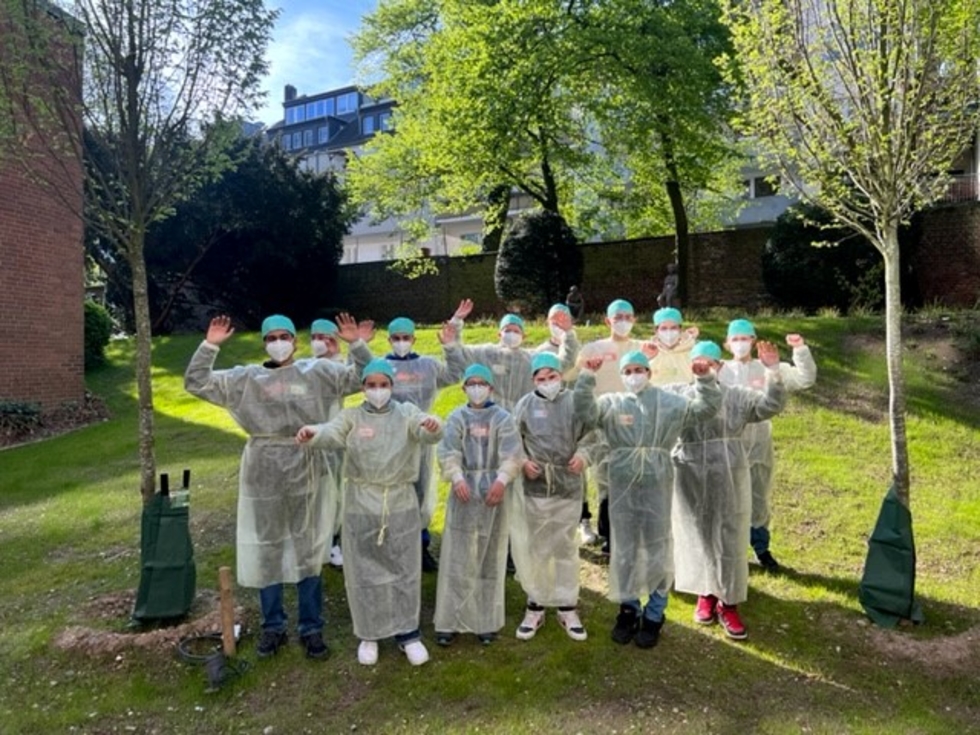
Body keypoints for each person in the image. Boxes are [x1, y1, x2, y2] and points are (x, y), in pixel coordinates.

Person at [184, 313, 371, 661]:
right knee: (268, 545)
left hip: (306, 463)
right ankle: (274, 626)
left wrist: (356, 344)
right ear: (264, 344)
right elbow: (195, 382)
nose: (279, 342)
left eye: (285, 335)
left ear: (295, 342)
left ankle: (311, 627)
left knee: (309, 543)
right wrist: (210, 345)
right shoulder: (245, 379)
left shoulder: (319, 373)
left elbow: (366, 378)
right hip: (263, 468)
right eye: (271, 337)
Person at [295, 358, 443, 667]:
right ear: (363, 387)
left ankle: (408, 633)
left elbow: (426, 431)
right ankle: (369, 633)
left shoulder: (406, 413)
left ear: (392, 386)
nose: (378, 391)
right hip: (362, 502)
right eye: (371, 385)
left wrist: (432, 426)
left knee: (404, 567)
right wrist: (313, 433)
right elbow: (331, 433)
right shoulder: (351, 417)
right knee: (364, 570)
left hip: (399, 500)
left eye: (384, 385)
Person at [574, 349, 721, 649]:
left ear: (649, 372)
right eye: (627, 371)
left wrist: (704, 379)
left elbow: (703, 411)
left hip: (658, 483)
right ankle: (628, 608)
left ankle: (655, 614)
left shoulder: (669, 402)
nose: (633, 376)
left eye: (638, 369)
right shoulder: (612, 403)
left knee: (657, 546)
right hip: (622, 484)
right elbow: (585, 414)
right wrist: (587, 377)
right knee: (625, 547)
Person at [669, 340, 786, 641]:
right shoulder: (679, 395)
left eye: (710, 363)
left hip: (729, 473)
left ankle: (729, 602)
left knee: (729, 535)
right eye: (698, 362)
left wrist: (773, 371)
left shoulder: (737, 397)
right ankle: (705, 592)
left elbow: (771, 406)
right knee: (696, 532)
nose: (704, 368)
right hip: (689, 473)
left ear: (720, 367)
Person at [433, 364, 523, 646]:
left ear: (491, 388)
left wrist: (502, 480)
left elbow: (512, 453)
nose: (476, 388)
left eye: (482, 383)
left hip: (493, 493)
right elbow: (449, 450)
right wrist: (457, 477)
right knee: (457, 554)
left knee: (490, 554)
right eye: (471, 383)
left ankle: (485, 619)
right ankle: (450, 619)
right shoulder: (457, 417)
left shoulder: (503, 418)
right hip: (463, 493)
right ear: (463, 389)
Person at [510, 352, 596, 642]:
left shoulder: (575, 402)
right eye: (541, 378)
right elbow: (512, 440)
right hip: (536, 485)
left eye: (552, 376)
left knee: (565, 546)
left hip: (568, 484)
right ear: (533, 379)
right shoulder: (524, 405)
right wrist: (523, 462)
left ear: (561, 376)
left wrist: (584, 455)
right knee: (539, 545)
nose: (547, 382)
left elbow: (593, 434)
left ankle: (566, 605)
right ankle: (535, 604)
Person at [720, 319, 817, 572]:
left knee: (758, 497)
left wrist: (800, 350)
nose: (741, 344)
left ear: (753, 341)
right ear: (727, 344)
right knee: (727, 498)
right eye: (735, 339)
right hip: (726, 445)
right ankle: (731, 550)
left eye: (746, 338)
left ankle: (761, 548)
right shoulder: (720, 370)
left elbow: (805, 379)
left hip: (759, 444)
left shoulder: (770, 367)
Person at [383, 314, 466, 572]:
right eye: (396, 338)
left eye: (405, 337)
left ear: (414, 339)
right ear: (388, 340)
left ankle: (420, 545)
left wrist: (451, 347)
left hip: (422, 436)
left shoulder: (427, 366)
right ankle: (392, 544)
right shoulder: (380, 367)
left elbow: (455, 374)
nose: (401, 342)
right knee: (391, 489)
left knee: (419, 489)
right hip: (390, 436)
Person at [566, 299, 646, 550]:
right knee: (606, 479)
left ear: (634, 320)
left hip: (637, 423)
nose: (623, 321)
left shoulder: (642, 347)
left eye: (628, 316)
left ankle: (634, 533)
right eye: (618, 317)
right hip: (602, 422)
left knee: (636, 478)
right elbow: (568, 376)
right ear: (607, 320)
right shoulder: (593, 349)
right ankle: (608, 536)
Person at [445, 310, 576, 412]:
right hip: (491, 417)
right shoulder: (486, 354)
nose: (512, 334)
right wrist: (456, 323)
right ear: (499, 334)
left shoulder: (531, 359)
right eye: (507, 330)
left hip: (523, 419)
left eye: (516, 331)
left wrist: (568, 334)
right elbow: (460, 354)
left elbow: (564, 363)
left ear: (523, 336)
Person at [310, 317, 346, 569]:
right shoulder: (303, 368)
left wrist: (336, 355)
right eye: (315, 338)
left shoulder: (339, 367)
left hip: (333, 439)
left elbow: (354, 378)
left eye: (326, 338)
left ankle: (333, 542)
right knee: (310, 492)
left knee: (334, 493)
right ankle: (313, 542)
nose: (320, 343)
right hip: (306, 439)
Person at [647, 307, 699, 387]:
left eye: (673, 328)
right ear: (656, 331)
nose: (669, 332)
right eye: (664, 328)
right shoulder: (649, 353)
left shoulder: (693, 353)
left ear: (680, 329)